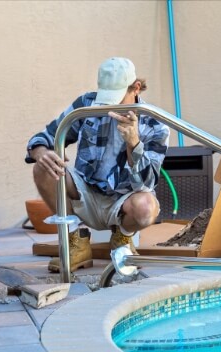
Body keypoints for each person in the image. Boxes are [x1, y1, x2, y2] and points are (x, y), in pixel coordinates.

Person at [25, 57, 170, 272]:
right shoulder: (87, 105)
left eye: (117, 98)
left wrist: (133, 143)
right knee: (42, 168)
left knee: (146, 207)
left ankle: (123, 238)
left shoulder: (155, 124)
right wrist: (42, 153)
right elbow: (44, 137)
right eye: (107, 98)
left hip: (124, 199)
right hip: (85, 192)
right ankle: (76, 240)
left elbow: (146, 184)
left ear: (136, 88)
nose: (110, 106)